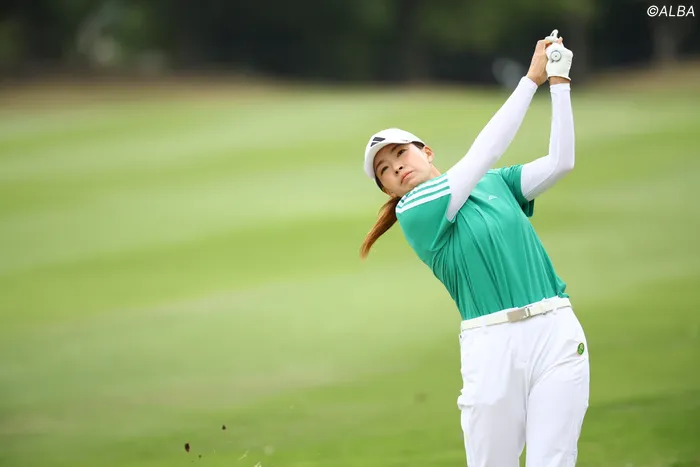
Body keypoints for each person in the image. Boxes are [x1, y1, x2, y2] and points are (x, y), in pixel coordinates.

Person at [359, 30, 588, 467]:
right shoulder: (415, 210)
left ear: (426, 152)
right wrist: (531, 81)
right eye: (384, 170)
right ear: (388, 189)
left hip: (556, 330)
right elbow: (484, 152)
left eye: (401, 153)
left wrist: (559, 83)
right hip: (492, 345)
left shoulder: (495, 183)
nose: (397, 168)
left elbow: (561, 162)